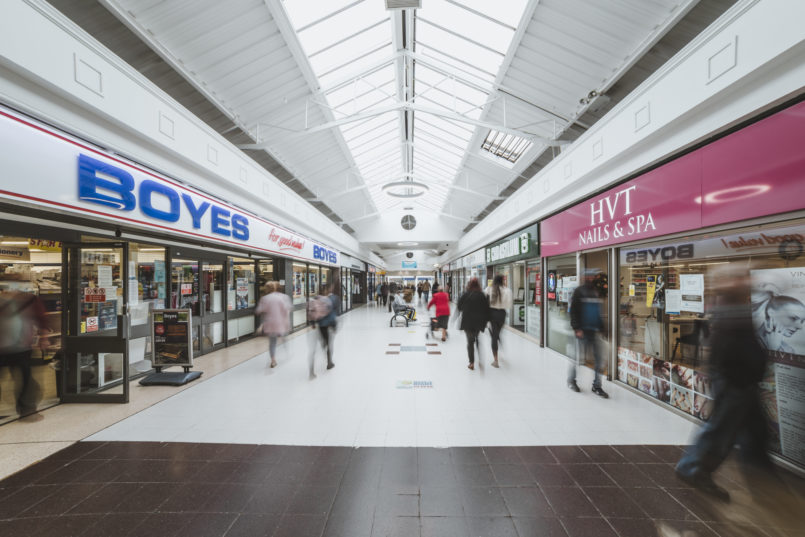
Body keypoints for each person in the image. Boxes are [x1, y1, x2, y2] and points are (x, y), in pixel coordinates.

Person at [675, 267, 775, 502]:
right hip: (735, 379)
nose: (747, 280)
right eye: (740, 277)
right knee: (721, 428)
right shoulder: (730, 305)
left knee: (752, 434)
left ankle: (766, 486)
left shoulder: (732, 304)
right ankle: (692, 468)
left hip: (740, 379)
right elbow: (729, 347)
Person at [0, 290, 49, 419]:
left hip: (21, 347)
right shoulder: (28, 299)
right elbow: (42, 319)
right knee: (26, 379)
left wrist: (44, 337)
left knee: (26, 379)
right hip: (10, 347)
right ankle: (27, 410)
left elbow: (41, 319)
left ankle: (27, 410)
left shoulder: (30, 299)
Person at [568, 269, 608, 397]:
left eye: (592, 277)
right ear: (584, 277)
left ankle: (597, 386)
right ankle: (571, 380)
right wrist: (577, 328)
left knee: (599, 359)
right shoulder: (579, 292)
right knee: (577, 358)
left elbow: (597, 311)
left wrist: (602, 327)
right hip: (582, 331)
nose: (590, 279)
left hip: (594, 331)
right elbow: (573, 311)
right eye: (588, 277)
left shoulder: (595, 292)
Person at [255, 282, 291, 368]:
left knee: (272, 342)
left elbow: (258, 310)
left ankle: (273, 360)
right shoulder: (281, 297)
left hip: (270, 323)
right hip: (280, 322)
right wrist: (287, 323)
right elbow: (286, 310)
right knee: (284, 336)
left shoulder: (264, 298)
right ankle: (286, 351)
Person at [457, 278, 490, 371]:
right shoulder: (482, 295)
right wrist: (486, 321)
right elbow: (487, 309)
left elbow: (459, 307)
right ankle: (480, 359)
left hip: (467, 322)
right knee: (477, 339)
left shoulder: (465, 294)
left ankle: (471, 362)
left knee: (470, 342)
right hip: (478, 322)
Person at [308, 284, 338, 377]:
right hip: (328, 324)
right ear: (326, 291)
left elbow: (310, 312)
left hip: (320, 325)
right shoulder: (328, 300)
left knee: (319, 344)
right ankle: (329, 362)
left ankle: (312, 369)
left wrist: (312, 323)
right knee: (329, 344)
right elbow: (332, 314)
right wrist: (334, 326)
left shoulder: (314, 300)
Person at [485, 275, 512, 368]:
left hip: (491, 314)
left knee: (494, 336)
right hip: (502, 314)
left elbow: (485, 301)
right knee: (497, 334)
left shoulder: (489, 289)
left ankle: (496, 360)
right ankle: (499, 351)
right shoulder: (507, 290)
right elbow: (509, 304)